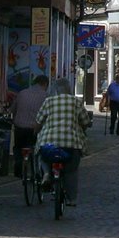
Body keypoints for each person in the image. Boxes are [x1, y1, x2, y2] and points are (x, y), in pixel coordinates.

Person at [35, 77, 92, 205]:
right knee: (71, 170)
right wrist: (81, 128)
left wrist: (36, 132)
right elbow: (86, 121)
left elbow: (38, 122)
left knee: (41, 155)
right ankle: (71, 199)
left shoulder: (48, 101)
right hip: (71, 145)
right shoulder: (76, 102)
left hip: (49, 143)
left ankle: (47, 174)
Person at [10, 74, 48, 177]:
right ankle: (35, 169)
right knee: (36, 148)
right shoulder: (45, 96)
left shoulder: (22, 93)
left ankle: (18, 167)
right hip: (34, 129)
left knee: (18, 147)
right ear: (45, 84)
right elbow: (46, 115)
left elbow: (13, 110)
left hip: (19, 127)